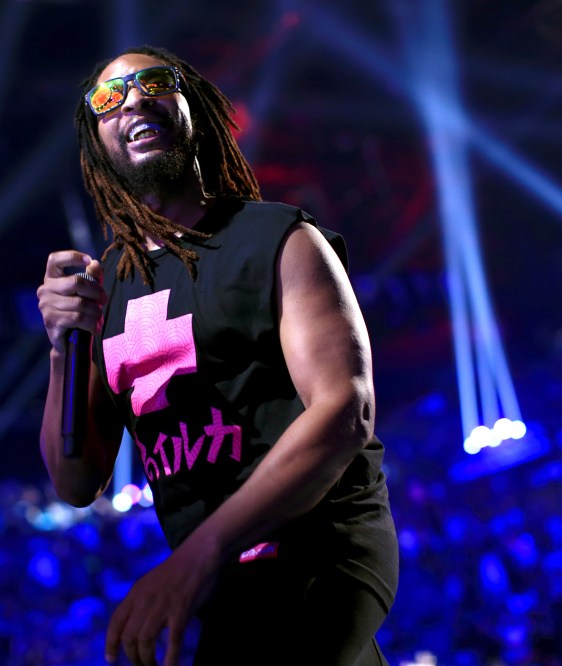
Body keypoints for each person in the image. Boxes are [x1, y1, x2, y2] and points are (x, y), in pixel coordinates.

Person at [36, 45, 399, 666]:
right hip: (219, 581)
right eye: (108, 99)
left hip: (317, 549)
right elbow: (75, 481)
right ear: (96, 146)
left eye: (154, 82)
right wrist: (64, 347)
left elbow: (345, 409)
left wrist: (198, 555)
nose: (134, 100)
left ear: (193, 108)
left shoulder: (280, 238)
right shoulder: (110, 286)